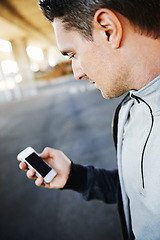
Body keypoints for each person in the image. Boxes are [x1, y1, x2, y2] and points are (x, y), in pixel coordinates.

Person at [18, 0, 160, 239]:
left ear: (108, 29)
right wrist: (77, 177)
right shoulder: (127, 112)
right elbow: (137, 193)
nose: (77, 73)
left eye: (73, 54)